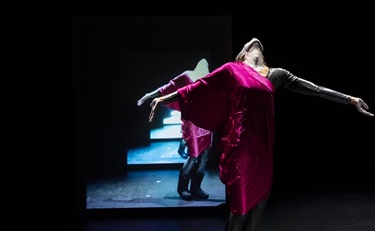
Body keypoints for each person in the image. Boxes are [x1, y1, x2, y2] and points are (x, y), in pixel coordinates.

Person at [147, 38, 373, 231]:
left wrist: (350, 99)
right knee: (240, 211)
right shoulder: (231, 70)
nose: (253, 40)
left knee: (258, 210)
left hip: (263, 149)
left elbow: (314, 88)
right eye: (248, 42)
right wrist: (162, 98)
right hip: (241, 147)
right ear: (243, 52)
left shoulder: (277, 74)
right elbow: (197, 88)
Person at [137, 58, 213, 200]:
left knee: (204, 158)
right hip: (192, 122)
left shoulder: (209, 78)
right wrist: (149, 95)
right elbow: (168, 87)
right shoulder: (187, 75)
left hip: (206, 121)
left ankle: (196, 187)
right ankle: (182, 188)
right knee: (194, 156)